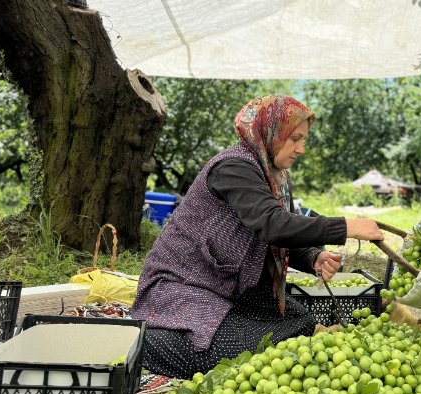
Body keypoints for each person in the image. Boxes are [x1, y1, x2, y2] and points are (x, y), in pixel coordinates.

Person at [131, 95, 385, 378]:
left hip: (226, 288)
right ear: (271, 132)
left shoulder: (275, 176)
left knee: (298, 321)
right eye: (295, 139)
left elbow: (276, 238)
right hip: (184, 286)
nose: (301, 149)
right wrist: (346, 227)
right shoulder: (233, 167)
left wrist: (314, 256)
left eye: (304, 140)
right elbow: (272, 224)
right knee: (250, 348)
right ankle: (146, 343)